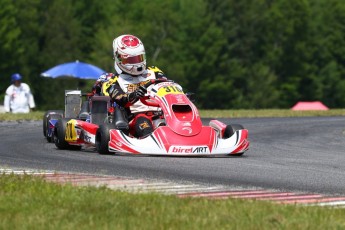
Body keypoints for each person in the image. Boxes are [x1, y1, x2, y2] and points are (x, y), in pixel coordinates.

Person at [105, 34, 167, 138]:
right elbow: (120, 98)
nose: (137, 63)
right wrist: (133, 95)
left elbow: (166, 85)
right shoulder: (114, 81)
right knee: (144, 125)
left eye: (139, 58)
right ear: (119, 59)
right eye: (132, 60)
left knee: (175, 122)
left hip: (162, 113)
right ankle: (152, 139)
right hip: (137, 117)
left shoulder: (154, 72)